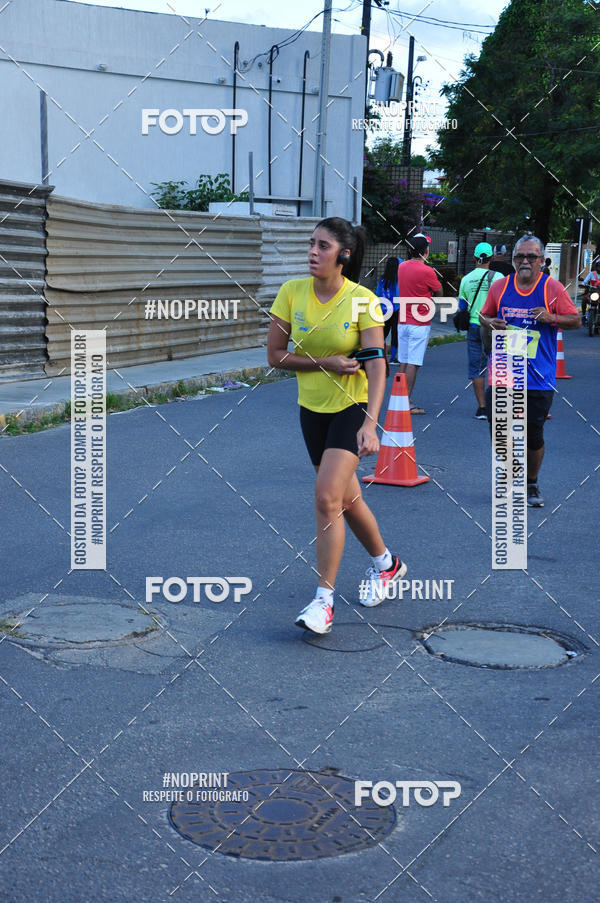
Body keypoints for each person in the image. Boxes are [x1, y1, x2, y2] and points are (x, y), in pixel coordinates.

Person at [267, 217, 406, 635]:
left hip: (352, 404)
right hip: (312, 408)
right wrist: (322, 363)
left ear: (343, 256)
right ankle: (388, 564)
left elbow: (377, 365)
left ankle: (323, 602)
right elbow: (275, 356)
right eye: (311, 244)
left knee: (327, 497)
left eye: (322, 246)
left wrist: (370, 424)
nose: (312, 252)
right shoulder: (292, 292)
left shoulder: (362, 300)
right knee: (346, 499)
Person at [479, 235, 580, 507]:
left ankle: (531, 482)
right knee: (500, 431)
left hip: (538, 377)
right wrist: (490, 323)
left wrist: (551, 318)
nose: (525, 261)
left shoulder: (552, 288)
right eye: (519, 257)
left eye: (531, 257)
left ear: (542, 261)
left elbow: (576, 320)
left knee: (533, 434)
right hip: (502, 372)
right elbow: (483, 315)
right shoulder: (500, 287)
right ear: (513, 260)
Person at [396, 233, 442, 415]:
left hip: (403, 320)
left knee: (403, 361)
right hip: (420, 321)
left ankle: (398, 398)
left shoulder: (401, 267)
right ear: (426, 251)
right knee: (413, 363)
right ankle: (406, 402)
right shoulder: (427, 271)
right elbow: (439, 291)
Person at [458, 242, 504, 419]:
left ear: (474, 258)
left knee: (477, 367)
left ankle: (482, 408)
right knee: (498, 364)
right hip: (495, 326)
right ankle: (498, 405)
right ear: (491, 257)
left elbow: (463, 306)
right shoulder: (499, 277)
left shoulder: (466, 279)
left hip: (474, 325)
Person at [376, 257, 399, 362]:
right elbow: (399, 295)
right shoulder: (397, 280)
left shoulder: (382, 278)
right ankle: (393, 357)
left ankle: (381, 355)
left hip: (383, 310)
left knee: (383, 334)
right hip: (395, 310)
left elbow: (377, 294)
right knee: (395, 334)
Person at [581, 258, 600, 324]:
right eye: (599, 265)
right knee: (584, 299)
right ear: (596, 266)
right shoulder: (591, 274)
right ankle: (583, 316)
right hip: (592, 293)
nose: (599, 267)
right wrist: (582, 284)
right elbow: (585, 281)